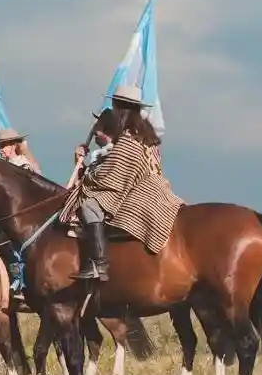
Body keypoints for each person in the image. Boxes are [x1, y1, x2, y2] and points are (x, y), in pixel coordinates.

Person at [60, 85, 183, 281]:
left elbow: (111, 177)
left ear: (118, 107)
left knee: (90, 206)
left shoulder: (128, 139)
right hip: (158, 188)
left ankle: (99, 264)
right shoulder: (145, 135)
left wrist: (86, 178)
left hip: (142, 191)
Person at [0, 132, 37, 309]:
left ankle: (21, 284)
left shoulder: (23, 165)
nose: (0, 150)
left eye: (2, 146)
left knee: (16, 252)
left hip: (23, 216)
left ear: (12, 145)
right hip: (7, 216)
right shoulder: (6, 166)